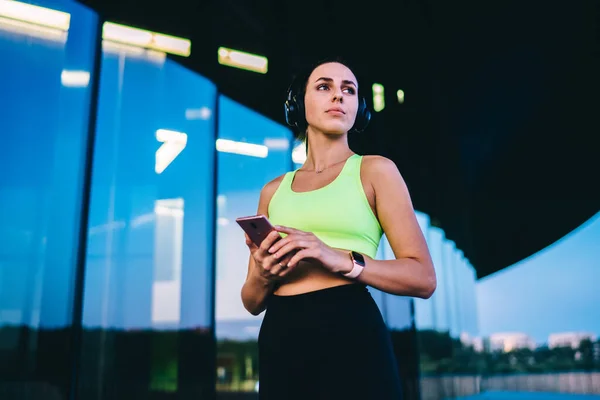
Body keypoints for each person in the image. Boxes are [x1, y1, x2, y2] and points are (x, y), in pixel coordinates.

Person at [240, 57, 437, 399]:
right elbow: (252, 301)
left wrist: (340, 259)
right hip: (280, 337)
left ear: (359, 109)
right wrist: (263, 272)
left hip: (350, 328)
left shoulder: (376, 171)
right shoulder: (272, 190)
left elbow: (423, 278)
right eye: (324, 87)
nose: (339, 96)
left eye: (349, 90)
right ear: (299, 104)